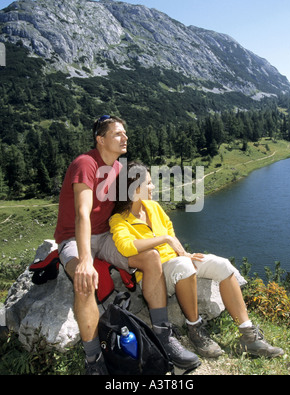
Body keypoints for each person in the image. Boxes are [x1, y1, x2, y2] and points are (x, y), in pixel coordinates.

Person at [54, 116, 200, 375]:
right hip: (76, 238)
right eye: (118, 134)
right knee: (84, 278)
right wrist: (86, 260)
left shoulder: (119, 169)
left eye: (125, 133)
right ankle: (93, 360)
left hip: (106, 235)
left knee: (151, 258)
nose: (126, 138)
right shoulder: (85, 163)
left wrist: (168, 240)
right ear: (100, 139)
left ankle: (163, 336)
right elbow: (82, 214)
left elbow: (139, 197)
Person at [109, 162, 285, 359]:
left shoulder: (153, 207)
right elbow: (126, 247)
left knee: (223, 266)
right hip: (156, 275)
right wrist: (166, 241)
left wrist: (184, 253)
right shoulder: (118, 220)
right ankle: (195, 329)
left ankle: (248, 335)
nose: (153, 187)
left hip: (177, 261)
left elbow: (170, 231)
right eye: (149, 184)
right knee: (184, 267)